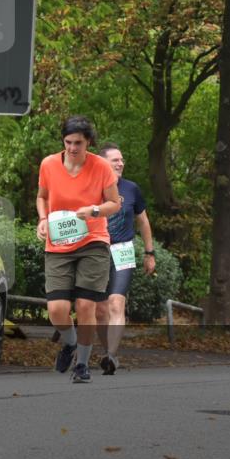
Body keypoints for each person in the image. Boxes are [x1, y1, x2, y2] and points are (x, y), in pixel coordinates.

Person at [36, 116, 120, 383]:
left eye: (79, 143)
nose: (73, 148)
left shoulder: (101, 167)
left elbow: (114, 203)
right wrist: (42, 220)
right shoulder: (49, 164)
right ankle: (70, 343)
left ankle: (82, 365)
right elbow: (42, 197)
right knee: (57, 310)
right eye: (68, 142)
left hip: (93, 240)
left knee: (86, 306)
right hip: (59, 242)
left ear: (89, 143)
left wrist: (94, 210)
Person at [93, 143, 156, 375]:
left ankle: (111, 356)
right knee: (100, 311)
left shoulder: (131, 189)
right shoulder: (91, 187)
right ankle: (106, 350)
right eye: (115, 160)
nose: (121, 163)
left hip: (123, 249)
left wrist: (150, 253)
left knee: (117, 303)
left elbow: (143, 222)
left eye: (122, 160)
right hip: (97, 251)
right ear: (102, 163)